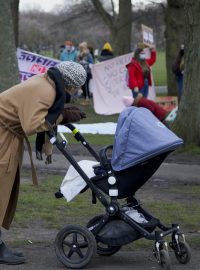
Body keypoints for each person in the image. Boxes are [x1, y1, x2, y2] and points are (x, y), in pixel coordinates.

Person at [0, 61, 87, 265]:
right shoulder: (46, 91)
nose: (75, 91)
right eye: (75, 87)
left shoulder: (46, 83)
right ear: (70, 85)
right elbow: (32, 125)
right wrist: (62, 115)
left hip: (7, 135)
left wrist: (60, 114)